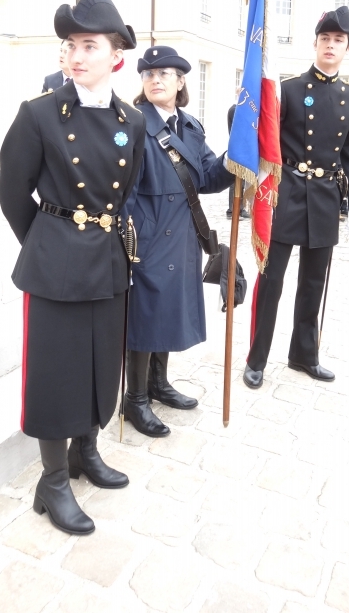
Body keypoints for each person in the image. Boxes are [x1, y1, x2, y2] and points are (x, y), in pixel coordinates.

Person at [0, 0, 146, 535]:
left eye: (89, 45)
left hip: (107, 260)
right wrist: (48, 241)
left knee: (100, 364)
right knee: (57, 374)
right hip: (57, 263)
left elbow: (123, 193)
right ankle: (53, 479)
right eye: (70, 46)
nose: (76, 56)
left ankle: (87, 451)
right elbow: (12, 193)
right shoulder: (38, 114)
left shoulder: (129, 119)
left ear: (116, 56)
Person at [243, 6, 349, 389]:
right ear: (315, 43)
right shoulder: (290, 88)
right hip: (288, 192)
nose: (331, 45)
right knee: (272, 278)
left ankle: (304, 356)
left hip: (326, 197)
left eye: (339, 40)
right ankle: (257, 358)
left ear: (348, 47)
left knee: (314, 282)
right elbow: (266, 137)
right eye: (325, 39)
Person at [123, 46, 233, 437]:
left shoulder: (190, 126)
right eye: (149, 74)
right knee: (145, 316)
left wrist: (235, 154)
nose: (155, 79)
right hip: (148, 233)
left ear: (181, 81)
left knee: (167, 311)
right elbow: (122, 190)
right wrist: (130, 240)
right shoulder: (133, 123)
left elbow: (206, 178)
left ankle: (158, 383)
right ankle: (134, 399)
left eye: (165, 73)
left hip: (182, 233)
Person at [227, 96, 250, 220]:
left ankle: (239, 208)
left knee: (242, 180)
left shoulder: (237, 108)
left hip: (242, 147)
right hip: (237, 148)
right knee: (235, 180)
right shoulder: (235, 109)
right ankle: (232, 210)